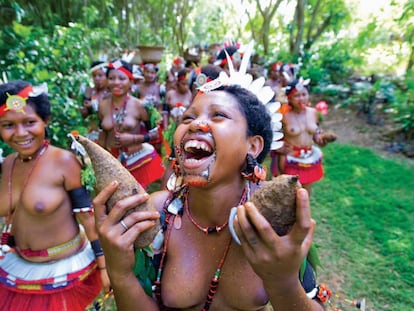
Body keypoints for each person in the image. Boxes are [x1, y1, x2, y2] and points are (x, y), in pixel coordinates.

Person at [92, 51, 327, 310]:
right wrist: (120, 272)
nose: (196, 124)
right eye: (188, 118)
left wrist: (283, 282)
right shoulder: (157, 215)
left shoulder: (275, 220)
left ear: (253, 146)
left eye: (218, 116)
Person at [0, 80, 110, 310]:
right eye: (8, 125)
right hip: (18, 265)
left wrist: (103, 266)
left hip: (64, 271)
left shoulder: (64, 162)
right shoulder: (8, 163)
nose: (20, 133)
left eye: (29, 122)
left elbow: (87, 217)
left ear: (45, 121)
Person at [97, 59, 165, 190]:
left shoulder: (140, 105)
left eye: (122, 78)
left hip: (136, 160)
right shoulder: (102, 106)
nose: (116, 82)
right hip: (112, 161)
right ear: (107, 81)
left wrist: (133, 139)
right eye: (112, 78)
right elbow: (103, 135)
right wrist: (99, 158)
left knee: (136, 199)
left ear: (131, 81)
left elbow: (156, 134)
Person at [275, 78, 331, 196]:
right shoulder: (283, 116)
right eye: (297, 96)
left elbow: (315, 136)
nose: (302, 98)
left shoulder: (314, 113)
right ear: (289, 98)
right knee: (287, 195)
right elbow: (270, 136)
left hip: (308, 158)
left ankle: (302, 214)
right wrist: (276, 147)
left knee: (305, 195)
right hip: (290, 159)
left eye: (304, 94)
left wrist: (322, 138)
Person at [79, 61, 109, 142]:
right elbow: (84, 116)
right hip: (92, 131)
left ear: (107, 76)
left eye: (100, 75)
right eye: (94, 76)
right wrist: (84, 110)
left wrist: (95, 106)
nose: (97, 79)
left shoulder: (110, 93)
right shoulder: (88, 91)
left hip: (107, 132)